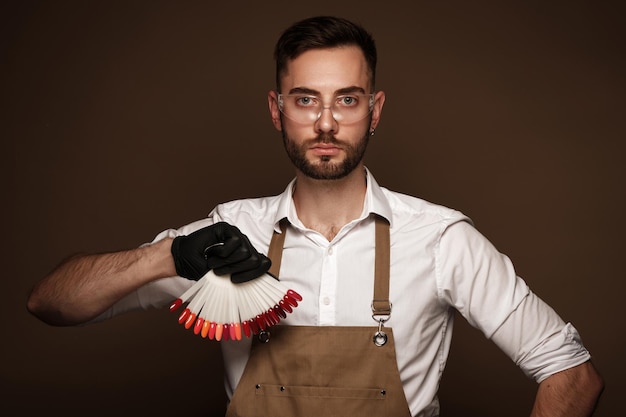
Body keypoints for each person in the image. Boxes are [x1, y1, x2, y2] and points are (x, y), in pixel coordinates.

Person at [27, 15, 603, 417]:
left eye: (347, 99)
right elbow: (52, 305)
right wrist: (165, 255)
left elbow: (572, 376)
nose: (326, 122)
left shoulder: (439, 238)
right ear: (277, 111)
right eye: (305, 99)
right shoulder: (229, 232)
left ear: (373, 111)